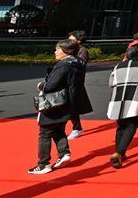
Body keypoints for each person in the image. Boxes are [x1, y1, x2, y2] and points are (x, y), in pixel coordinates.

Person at [29, 39, 79, 174]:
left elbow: (51, 85)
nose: (55, 51)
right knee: (58, 130)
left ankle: (43, 164)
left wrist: (41, 85)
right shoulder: (76, 64)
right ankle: (64, 153)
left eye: (58, 49)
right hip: (66, 103)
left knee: (44, 134)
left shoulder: (63, 65)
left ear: (66, 51)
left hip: (54, 104)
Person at [107, 44, 138, 168]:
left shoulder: (118, 65)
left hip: (117, 98)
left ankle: (119, 153)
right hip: (135, 98)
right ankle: (119, 153)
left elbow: (111, 83)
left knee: (121, 126)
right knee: (132, 125)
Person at [66, 31, 92, 139]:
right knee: (68, 105)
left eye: (71, 40)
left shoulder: (82, 50)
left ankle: (77, 128)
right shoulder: (70, 50)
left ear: (79, 41)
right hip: (68, 80)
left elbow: (80, 64)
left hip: (76, 82)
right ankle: (76, 127)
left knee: (71, 106)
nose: (69, 41)